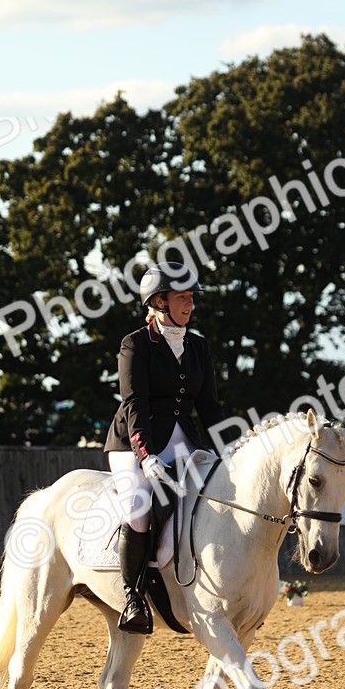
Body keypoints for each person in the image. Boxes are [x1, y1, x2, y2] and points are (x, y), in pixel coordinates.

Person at [103, 261, 225, 633]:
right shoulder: (135, 344)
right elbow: (134, 404)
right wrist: (146, 455)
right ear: (159, 301)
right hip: (133, 442)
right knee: (139, 505)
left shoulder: (198, 346)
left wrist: (229, 449)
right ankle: (133, 597)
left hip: (183, 441)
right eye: (182, 297)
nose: (190, 304)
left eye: (191, 298)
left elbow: (210, 407)